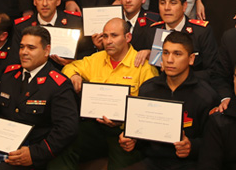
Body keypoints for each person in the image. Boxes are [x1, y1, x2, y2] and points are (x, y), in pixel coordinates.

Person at [0, 26, 79, 170]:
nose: (24, 52)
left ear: (46, 50)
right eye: (22, 47)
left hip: (31, 151)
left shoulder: (58, 83)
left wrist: (35, 154)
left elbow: (67, 128)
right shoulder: (9, 75)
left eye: (31, 47)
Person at [48, 18, 158, 170]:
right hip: (95, 127)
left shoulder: (143, 67)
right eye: (105, 36)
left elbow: (149, 111)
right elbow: (69, 67)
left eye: (114, 36)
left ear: (127, 37)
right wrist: (74, 75)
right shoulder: (97, 58)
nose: (108, 41)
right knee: (64, 142)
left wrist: (125, 125)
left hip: (124, 132)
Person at [118, 32, 218, 169]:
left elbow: (214, 144)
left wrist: (192, 147)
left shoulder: (205, 96)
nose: (169, 60)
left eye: (177, 54)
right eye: (165, 53)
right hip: (152, 162)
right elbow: (141, 135)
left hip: (188, 164)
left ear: (191, 59)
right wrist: (131, 140)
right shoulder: (147, 90)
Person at [139, 0, 218, 86]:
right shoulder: (153, 31)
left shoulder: (201, 32)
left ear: (184, 6)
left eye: (173, 3)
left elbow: (213, 72)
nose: (167, 8)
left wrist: (181, 75)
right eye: (162, 3)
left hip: (193, 87)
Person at [13, 0, 88, 63]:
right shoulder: (22, 26)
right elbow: (15, 60)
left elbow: (87, 54)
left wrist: (73, 63)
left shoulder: (74, 22)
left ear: (58, 1)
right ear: (35, 1)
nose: (44, 3)